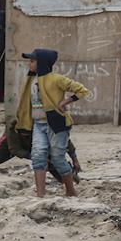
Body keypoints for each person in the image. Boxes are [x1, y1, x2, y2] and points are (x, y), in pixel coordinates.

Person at [21, 49, 89, 197]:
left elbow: (82, 90)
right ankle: (40, 195)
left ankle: (70, 191)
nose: (29, 64)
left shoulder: (56, 79)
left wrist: (65, 102)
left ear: (42, 63)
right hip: (38, 124)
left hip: (56, 124)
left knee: (58, 158)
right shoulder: (32, 80)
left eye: (32, 61)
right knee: (38, 157)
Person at [0, 127, 81, 192]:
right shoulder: (13, 126)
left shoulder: (46, 124)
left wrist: (74, 159)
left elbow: (65, 142)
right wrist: (35, 157)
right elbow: (14, 149)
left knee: (56, 162)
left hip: (39, 137)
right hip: (16, 140)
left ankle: (73, 183)